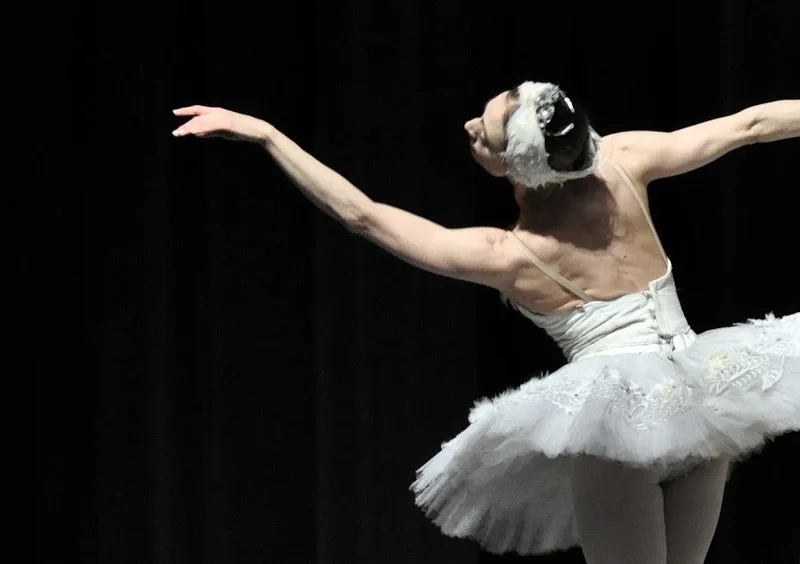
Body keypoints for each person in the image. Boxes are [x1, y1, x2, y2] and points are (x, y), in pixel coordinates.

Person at [172, 82, 800, 564]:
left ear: (511, 167)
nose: (470, 126)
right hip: (701, 397)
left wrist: (267, 137)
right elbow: (751, 123)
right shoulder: (626, 162)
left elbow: (362, 217)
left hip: (620, 424)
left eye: (485, 134)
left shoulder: (509, 254)